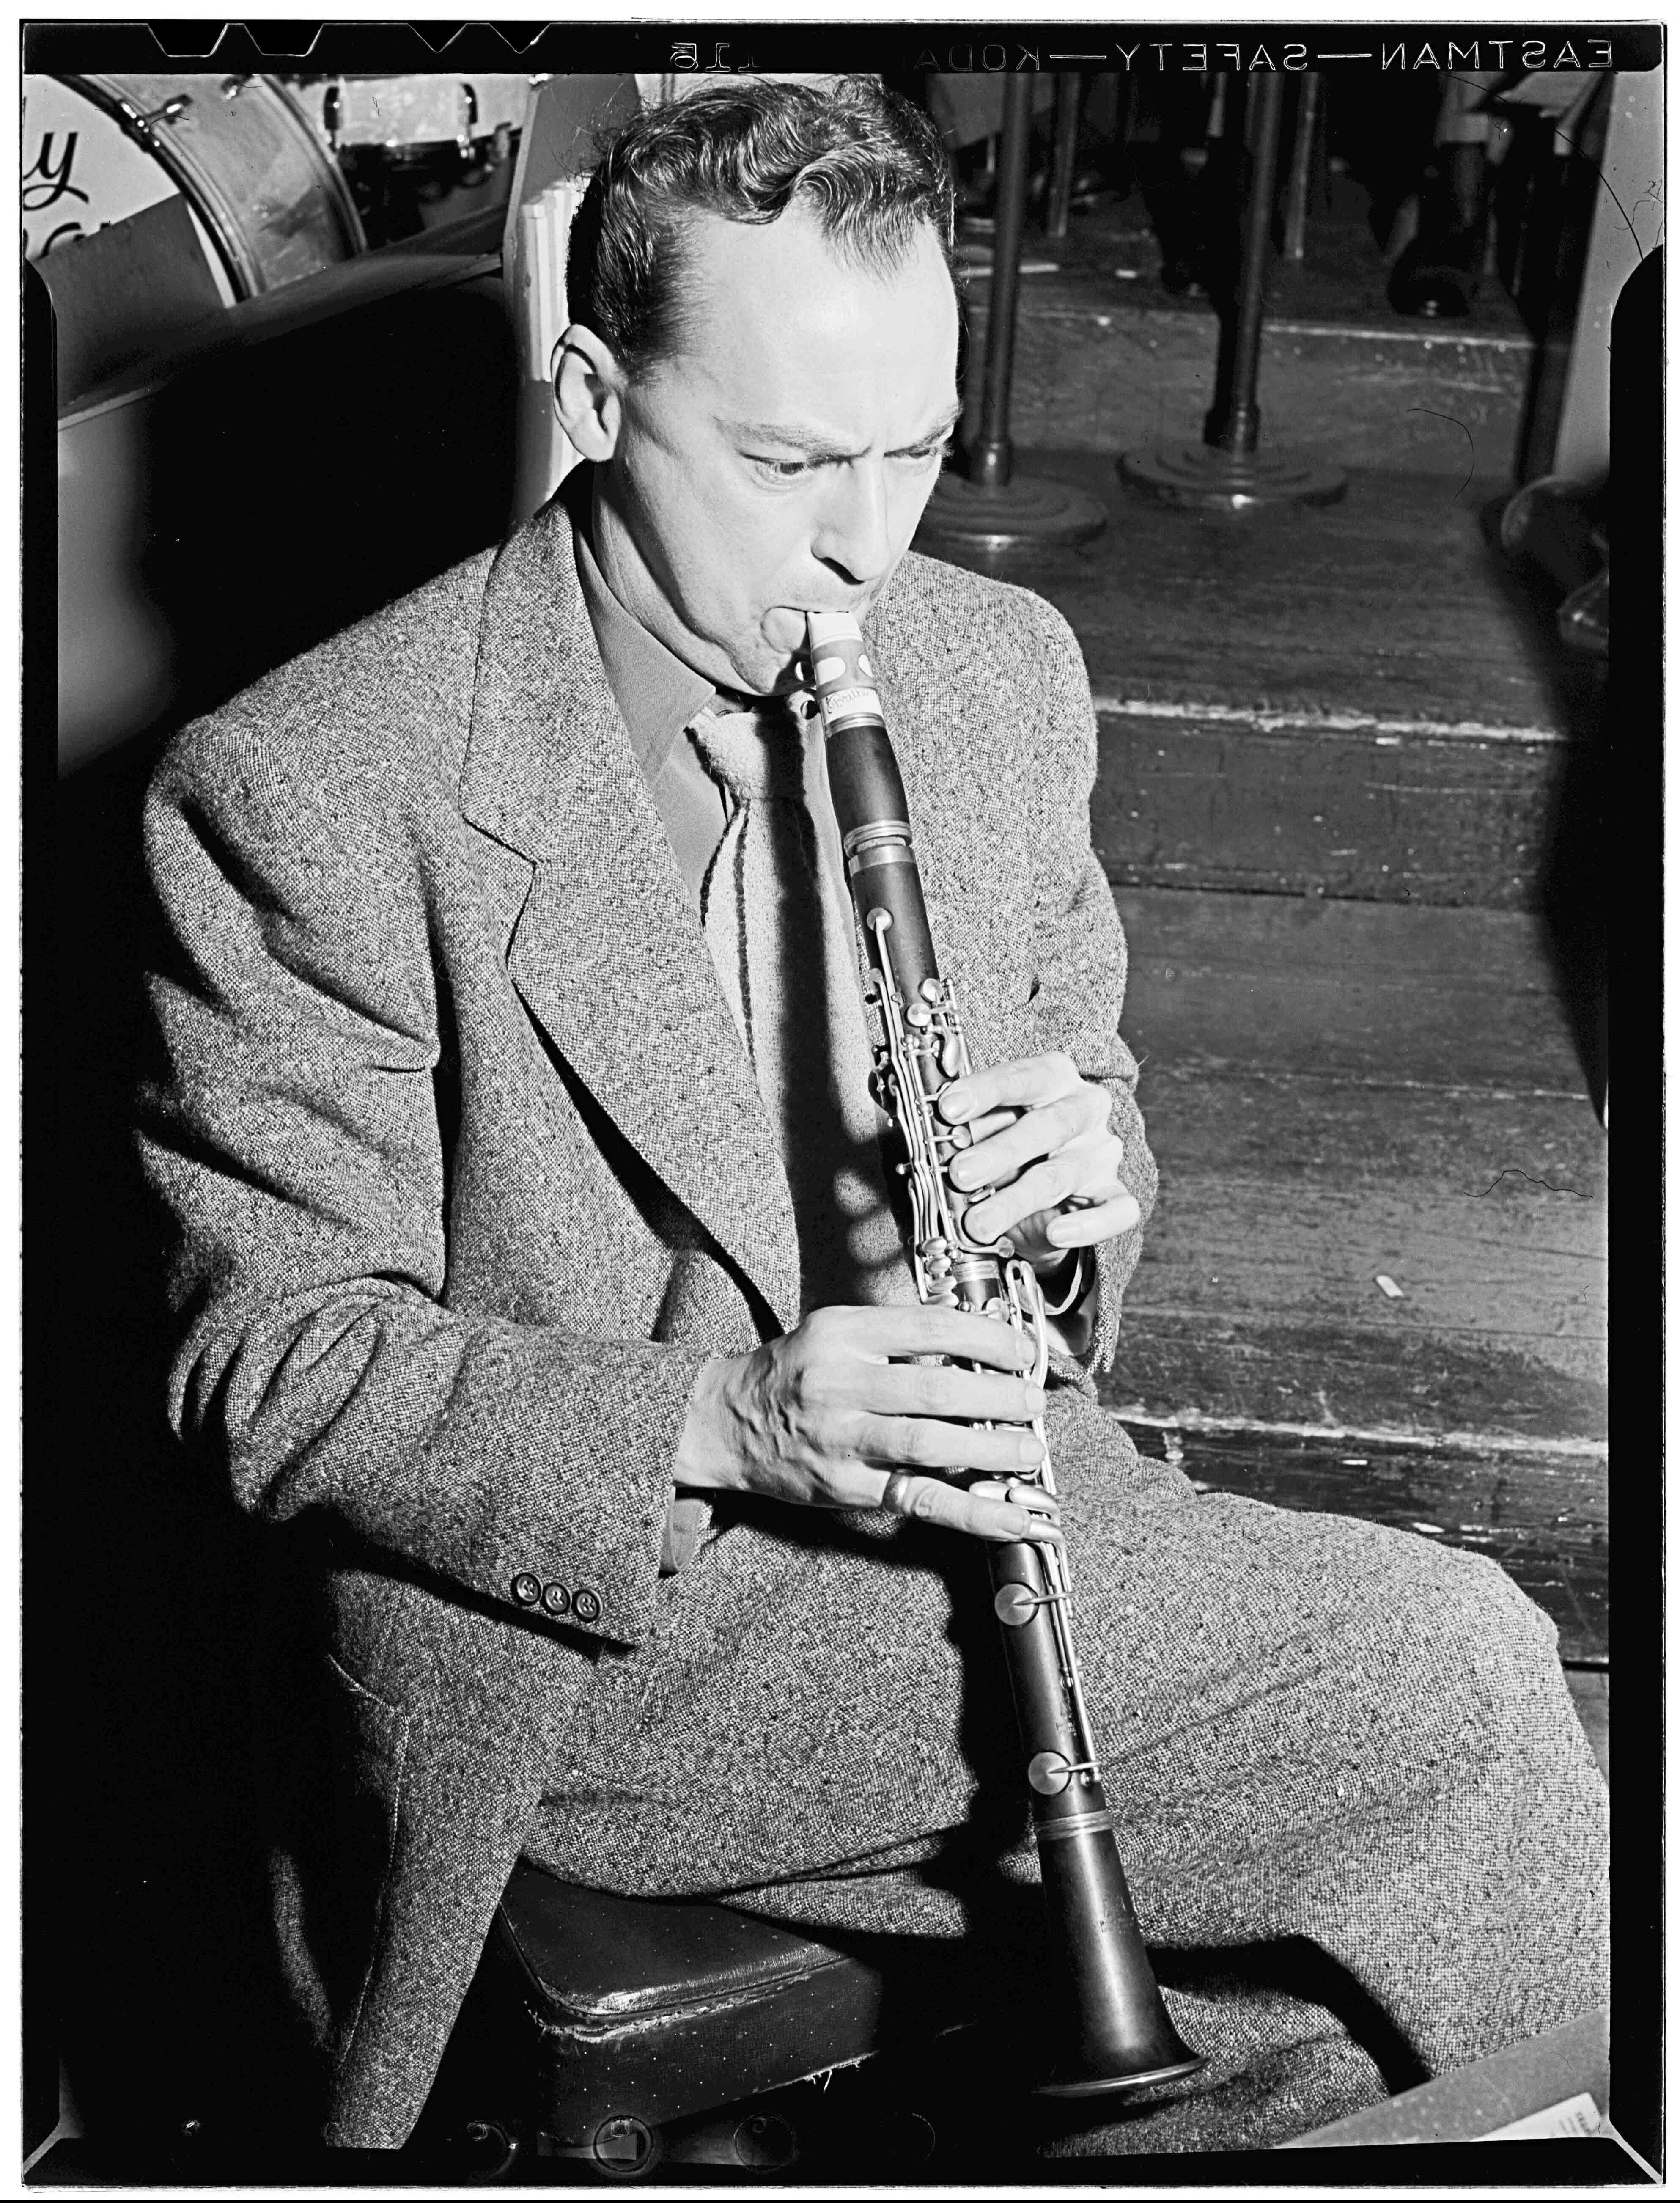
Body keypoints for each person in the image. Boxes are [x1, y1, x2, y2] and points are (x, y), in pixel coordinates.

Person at [138, 76, 1608, 2156]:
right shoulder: (312, 783)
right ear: (588, 394)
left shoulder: (997, 665)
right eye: (788, 459)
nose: (866, 539)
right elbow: (266, 1365)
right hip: (598, 1629)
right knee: (1452, 1681)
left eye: (914, 450)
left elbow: (1084, 1084)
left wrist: (1081, 1190)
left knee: (1373, 2018)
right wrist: (733, 1416)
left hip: (982, 1508)